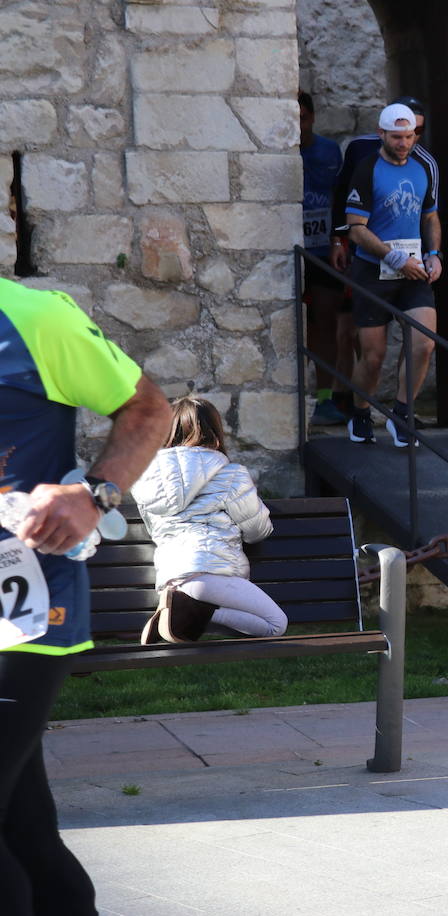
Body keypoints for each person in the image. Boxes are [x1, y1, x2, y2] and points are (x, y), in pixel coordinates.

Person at [0, 278, 171, 914]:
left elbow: (151, 411)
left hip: (24, 609)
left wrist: (92, 495)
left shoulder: (33, 318)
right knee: (24, 830)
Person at [132, 397, 284, 644]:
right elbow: (257, 530)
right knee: (275, 625)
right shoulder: (231, 475)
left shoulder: (146, 482)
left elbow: (154, 530)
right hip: (211, 574)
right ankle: (191, 613)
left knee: (265, 623)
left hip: (172, 574)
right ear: (214, 430)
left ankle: (176, 615)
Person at [342, 102, 442, 448]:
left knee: (424, 342)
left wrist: (434, 254)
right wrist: (394, 257)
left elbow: (430, 216)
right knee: (373, 355)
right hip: (373, 269)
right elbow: (356, 229)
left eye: (409, 136)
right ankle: (360, 412)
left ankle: (402, 414)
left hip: (413, 270)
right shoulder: (367, 169)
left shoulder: (422, 168)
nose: (403, 143)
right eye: (396, 137)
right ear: (381, 133)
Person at [298, 91, 349, 426]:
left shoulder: (330, 152)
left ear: (313, 117)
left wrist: (339, 239)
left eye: (301, 117)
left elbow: (343, 197)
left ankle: (327, 400)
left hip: (323, 252)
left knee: (326, 323)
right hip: (289, 250)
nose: (296, 125)